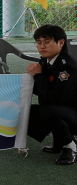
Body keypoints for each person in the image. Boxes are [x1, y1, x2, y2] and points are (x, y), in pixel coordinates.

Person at [25, 24, 77, 165]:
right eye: (39, 42)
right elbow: (42, 91)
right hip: (65, 111)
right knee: (27, 112)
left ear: (61, 43)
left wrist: (38, 76)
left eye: (47, 42)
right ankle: (60, 141)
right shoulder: (45, 61)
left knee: (48, 110)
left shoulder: (68, 67)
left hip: (72, 113)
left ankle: (71, 146)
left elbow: (55, 99)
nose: (42, 46)